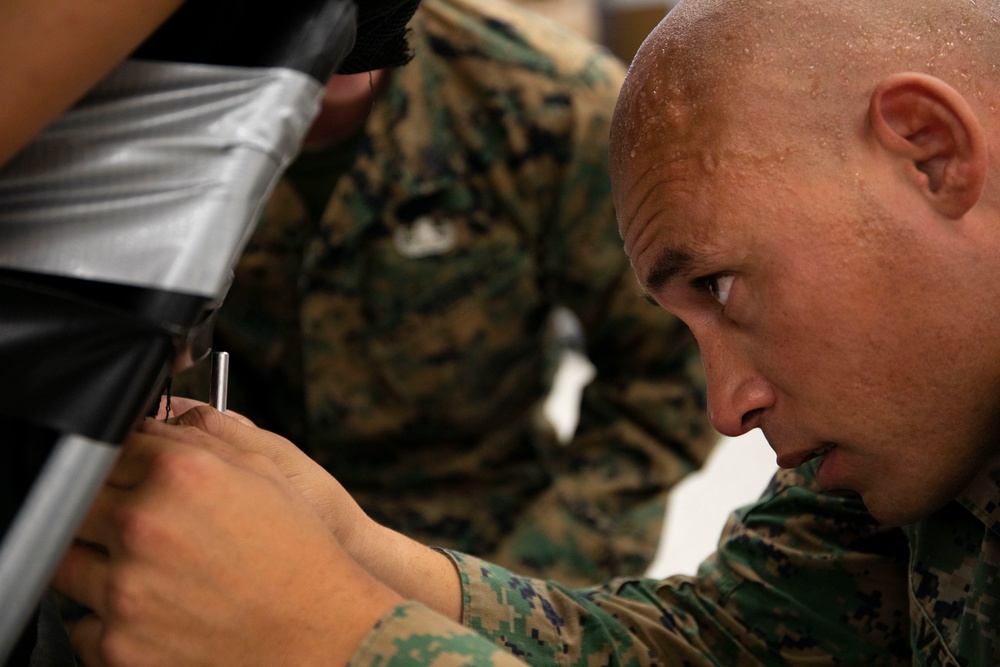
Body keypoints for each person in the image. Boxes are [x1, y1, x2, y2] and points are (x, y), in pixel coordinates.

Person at [51, 0, 1000, 664]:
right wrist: (360, 555)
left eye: (721, 284)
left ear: (929, 151)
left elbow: (646, 405)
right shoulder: (897, 443)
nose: (727, 407)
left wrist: (335, 637)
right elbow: (729, 640)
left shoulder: (534, 95)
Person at [171, 0, 715, 585]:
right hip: (235, 535)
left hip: (483, 549)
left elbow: (671, 368)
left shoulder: (549, 102)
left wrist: (523, 601)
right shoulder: (149, 119)